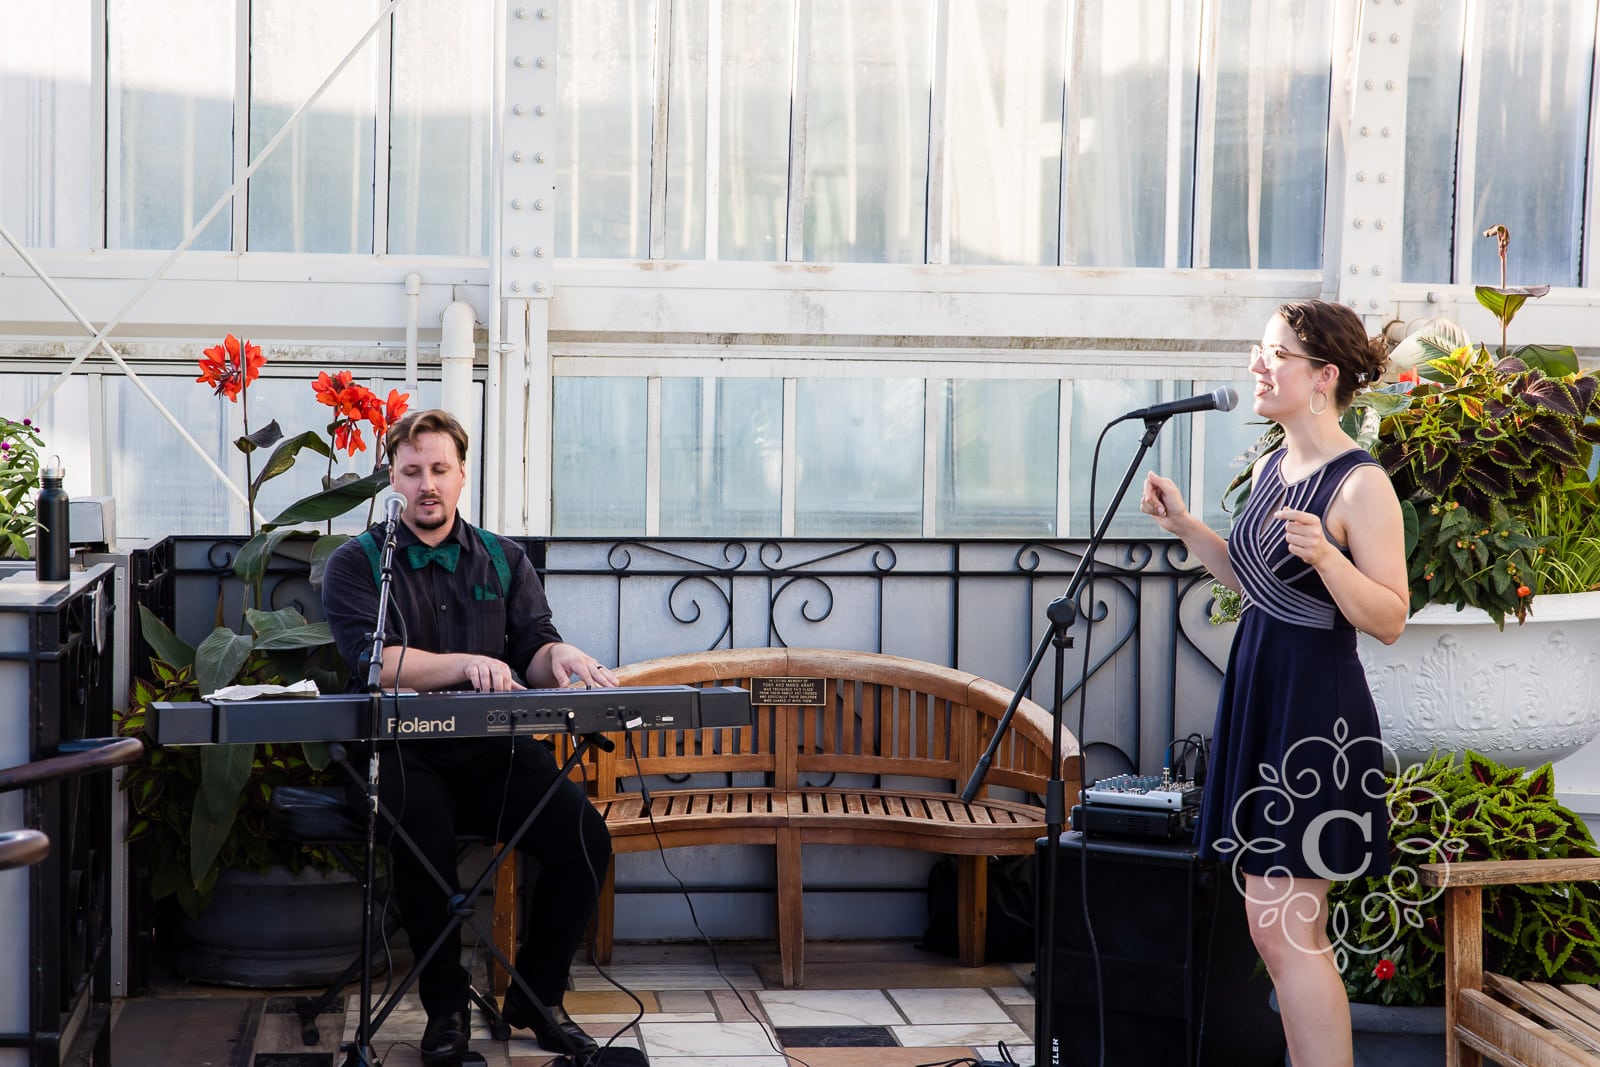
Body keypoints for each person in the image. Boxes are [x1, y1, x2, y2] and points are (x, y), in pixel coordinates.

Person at [1139, 300, 1409, 1067]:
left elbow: (1389, 616)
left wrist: (1329, 558)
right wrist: (1190, 528)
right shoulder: (1269, 468)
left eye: (1276, 353)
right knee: (1272, 926)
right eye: (1259, 350)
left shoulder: (1361, 487)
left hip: (1314, 714)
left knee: (1288, 929)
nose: (1259, 365)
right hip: (1262, 696)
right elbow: (1258, 583)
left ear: (1324, 377)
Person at [322, 408, 613, 1064]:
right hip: (399, 756)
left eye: (440, 470)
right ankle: (446, 1011)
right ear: (392, 478)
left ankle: (538, 1002)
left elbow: (532, 648)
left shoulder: (504, 559)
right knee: (423, 833)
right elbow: (376, 662)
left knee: (584, 839)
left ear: (462, 476)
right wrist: (463, 665)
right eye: (412, 470)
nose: (427, 483)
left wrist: (556, 657)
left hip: (490, 752)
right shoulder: (359, 563)